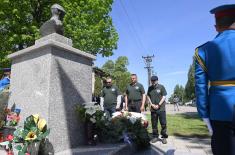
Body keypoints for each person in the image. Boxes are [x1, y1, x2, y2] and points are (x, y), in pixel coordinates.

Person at [195, 4, 235, 155]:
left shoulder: (203, 50)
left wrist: (204, 114)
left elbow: (201, 88)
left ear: (216, 26)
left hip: (220, 112)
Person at [147, 75, 168, 144]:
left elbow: (164, 96)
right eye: (151, 81)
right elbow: (148, 96)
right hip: (153, 109)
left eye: (154, 81)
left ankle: (164, 137)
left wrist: (159, 104)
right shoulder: (150, 88)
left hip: (161, 109)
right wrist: (151, 104)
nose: (152, 82)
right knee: (154, 124)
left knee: (163, 124)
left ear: (157, 80)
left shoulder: (161, 87)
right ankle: (155, 136)